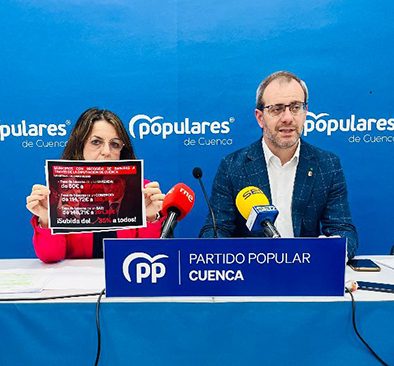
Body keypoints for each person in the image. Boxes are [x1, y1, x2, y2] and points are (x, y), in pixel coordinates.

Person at [199, 71, 358, 259]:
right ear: (260, 117)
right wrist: (218, 250)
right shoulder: (232, 166)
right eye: (277, 109)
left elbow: (343, 228)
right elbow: (216, 229)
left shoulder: (327, 164)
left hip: (306, 267)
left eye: (295, 107)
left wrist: (335, 248)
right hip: (252, 268)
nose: (288, 118)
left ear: (305, 112)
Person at [26, 108, 165, 262]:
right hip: (76, 276)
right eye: (96, 142)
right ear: (80, 145)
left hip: (126, 272)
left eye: (115, 144)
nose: (106, 151)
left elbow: (149, 256)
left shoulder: (142, 190)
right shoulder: (63, 189)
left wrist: (150, 217)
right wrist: (47, 220)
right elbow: (51, 256)